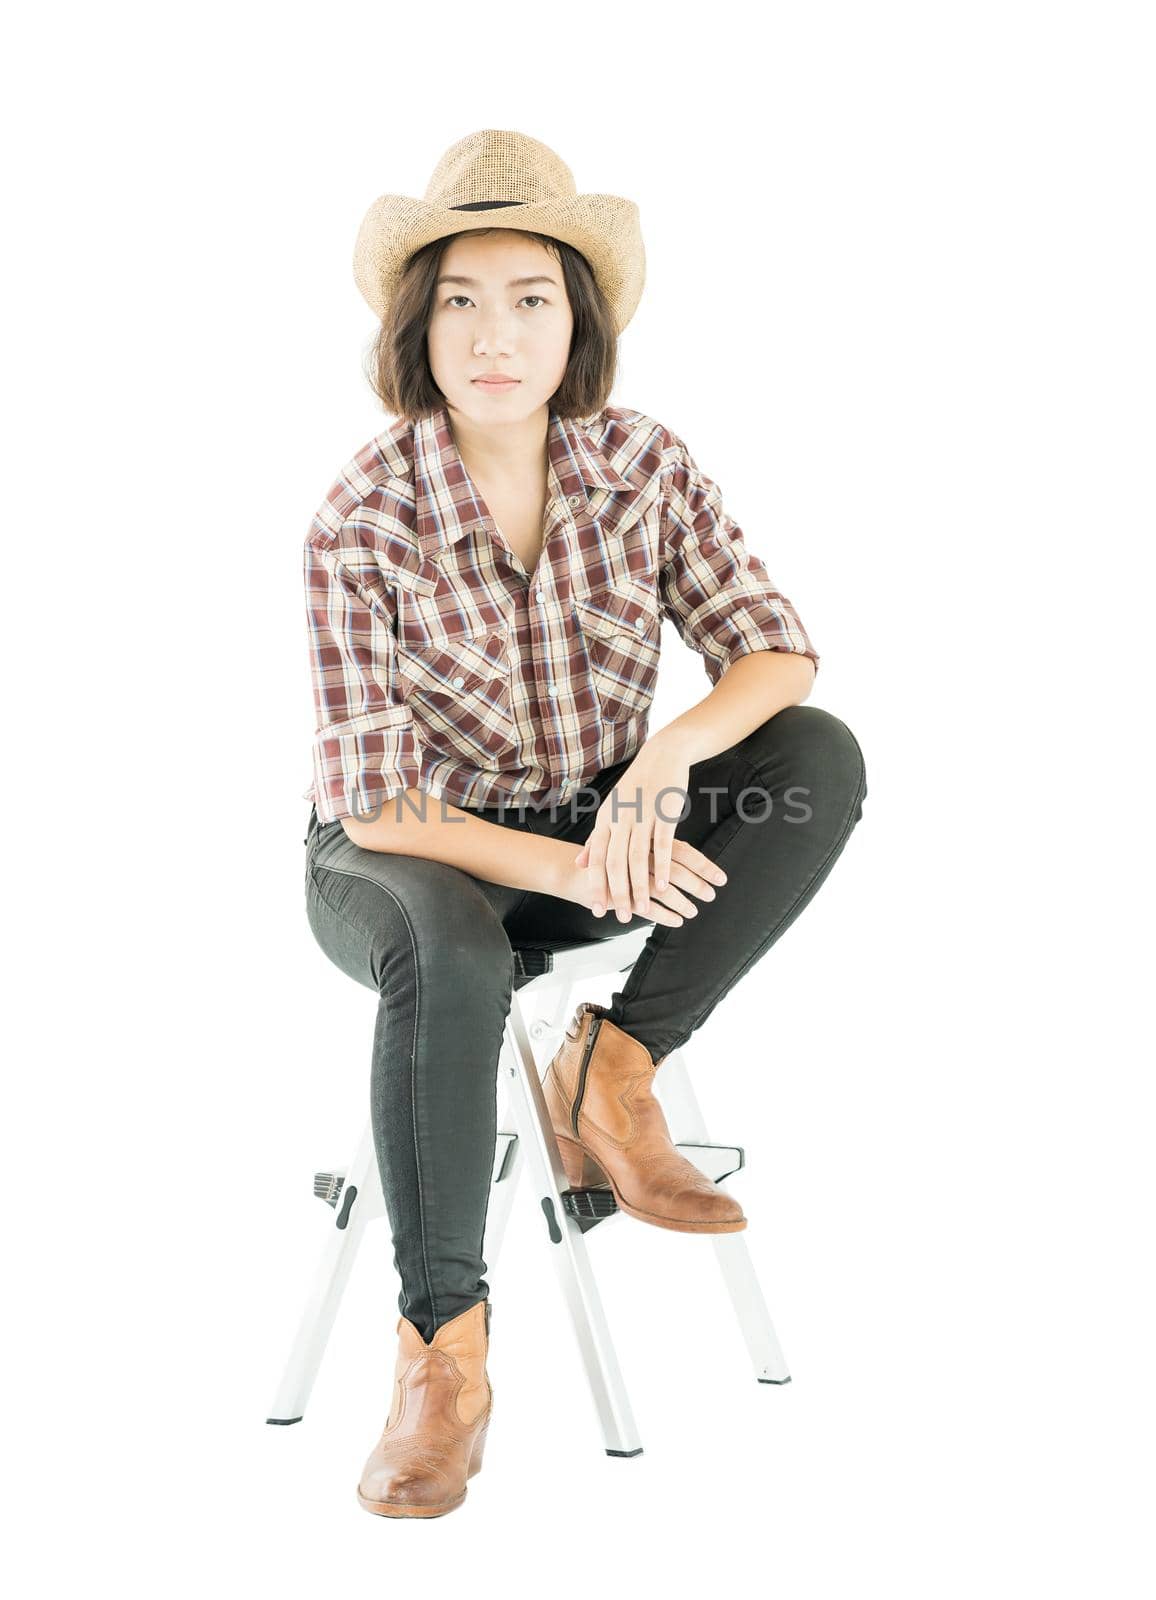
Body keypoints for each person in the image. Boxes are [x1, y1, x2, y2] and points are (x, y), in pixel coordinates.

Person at [300, 129, 868, 1519]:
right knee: (448, 946)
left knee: (816, 755)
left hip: (594, 827)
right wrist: (563, 856)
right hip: (401, 848)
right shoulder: (361, 515)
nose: (497, 334)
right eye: (461, 300)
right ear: (417, 325)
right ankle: (444, 1358)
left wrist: (667, 759)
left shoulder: (643, 464)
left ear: (579, 321)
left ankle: (613, 1069)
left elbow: (777, 652)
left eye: (532, 298)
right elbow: (377, 795)